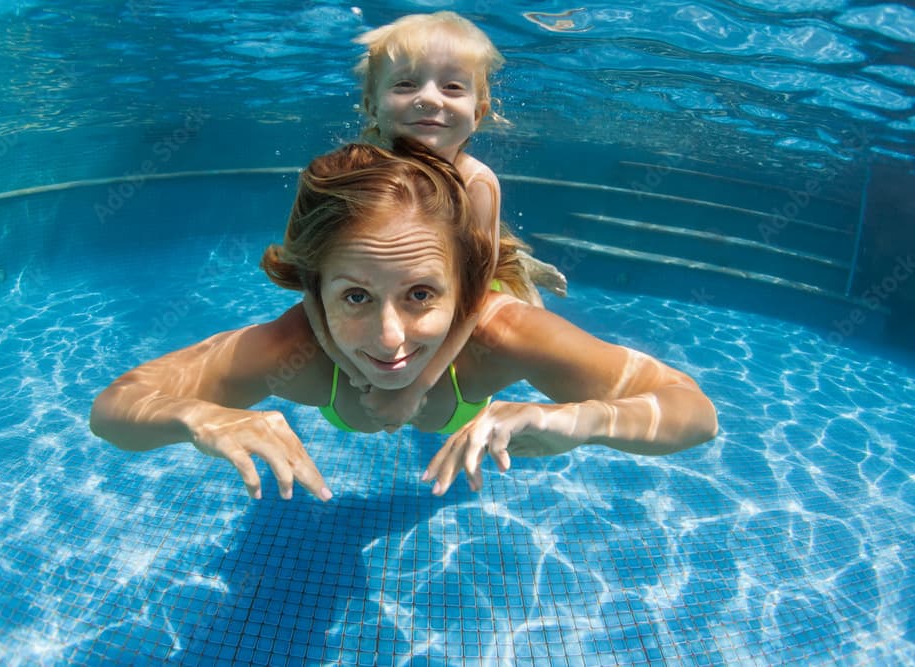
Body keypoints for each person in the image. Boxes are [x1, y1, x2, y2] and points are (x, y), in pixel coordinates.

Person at [89, 141, 718, 503]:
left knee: (501, 279)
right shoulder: (294, 349)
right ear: (314, 290)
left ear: (462, 290)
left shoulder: (502, 336)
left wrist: (580, 420)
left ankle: (504, 264)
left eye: (420, 294)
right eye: (356, 297)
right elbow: (116, 407)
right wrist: (198, 416)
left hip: (477, 306)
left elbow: (693, 412)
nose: (391, 340)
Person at [304, 11, 568, 429]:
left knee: (519, 308)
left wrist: (417, 386)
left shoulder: (478, 183)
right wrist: (347, 365)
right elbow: (311, 281)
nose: (429, 98)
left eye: (452, 86)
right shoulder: (353, 175)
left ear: (478, 112)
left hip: (464, 278)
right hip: (409, 280)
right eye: (406, 84)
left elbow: (472, 299)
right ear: (372, 104)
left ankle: (520, 265)